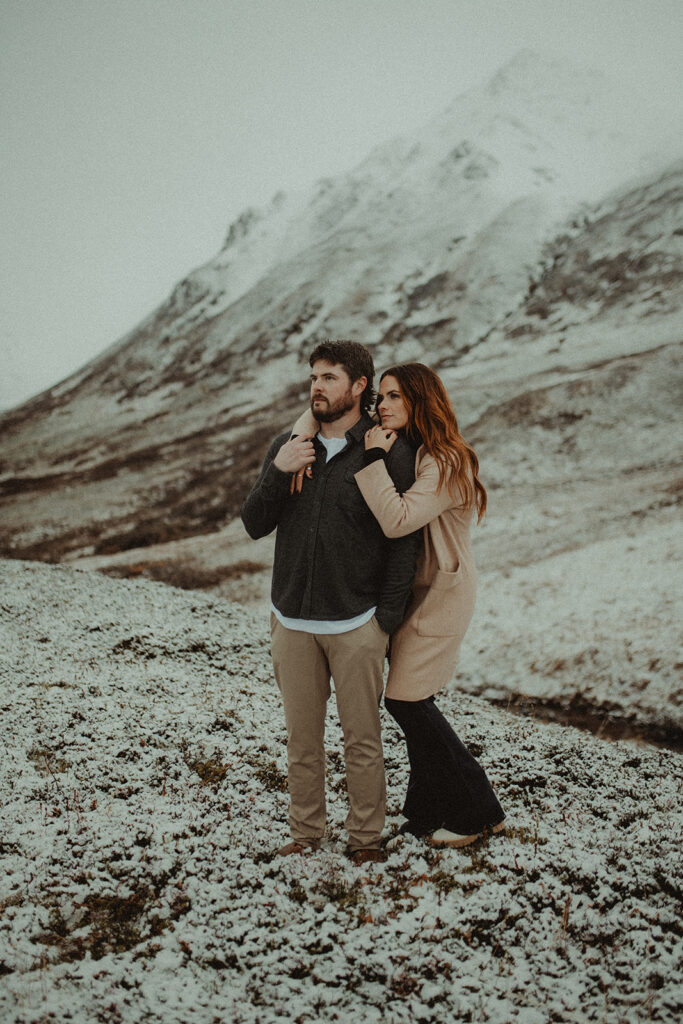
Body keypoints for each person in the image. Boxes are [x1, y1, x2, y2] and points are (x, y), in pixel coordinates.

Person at [240, 341, 421, 865]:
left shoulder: (387, 450)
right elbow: (255, 523)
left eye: (329, 377)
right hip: (292, 621)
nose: (317, 387)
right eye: (314, 377)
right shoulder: (291, 444)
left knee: (362, 742)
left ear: (359, 386)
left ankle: (365, 840)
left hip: (357, 624)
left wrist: (383, 622)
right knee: (303, 741)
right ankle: (305, 832)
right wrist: (280, 468)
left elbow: (402, 540)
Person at [352, 362, 506, 847]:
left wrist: (372, 461)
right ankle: (424, 810)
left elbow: (398, 520)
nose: (382, 405)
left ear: (420, 400)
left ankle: (480, 812)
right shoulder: (424, 453)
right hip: (423, 594)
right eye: (381, 397)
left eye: (395, 396)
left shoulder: (444, 459)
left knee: (406, 698)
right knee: (413, 697)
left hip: (442, 597)